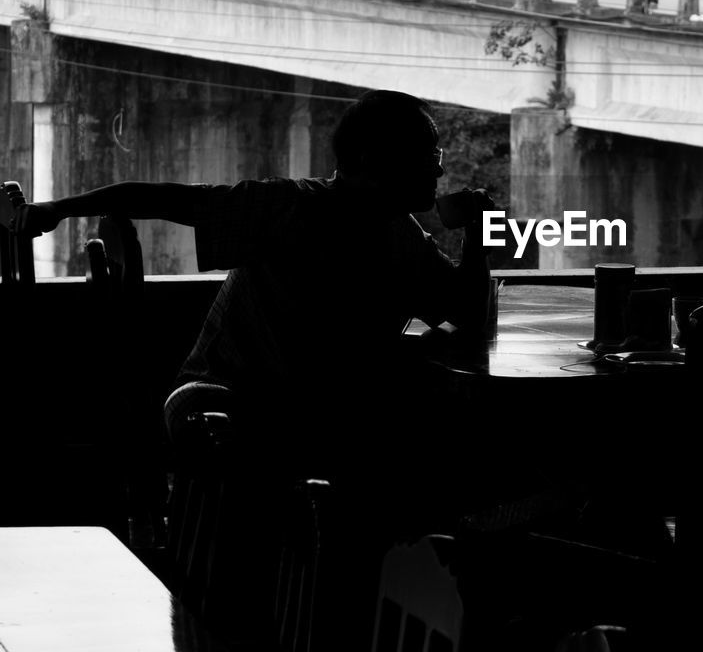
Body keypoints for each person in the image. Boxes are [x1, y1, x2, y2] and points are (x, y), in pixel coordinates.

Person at [11, 89, 495, 487]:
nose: (438, 171)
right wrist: (57, 210)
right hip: (227, 407)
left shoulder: (401, 235)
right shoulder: (289, 209)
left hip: (302, 416)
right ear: (372, 160)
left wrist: (476, 232)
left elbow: (467, 311)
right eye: (428, 156)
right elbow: (164, 199)